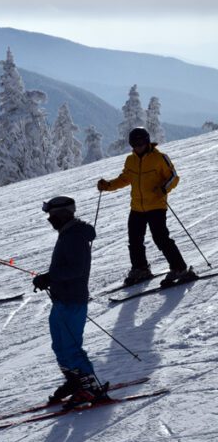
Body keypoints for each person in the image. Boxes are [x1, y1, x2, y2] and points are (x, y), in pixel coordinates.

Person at [97, 127, 197, 287]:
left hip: (156, 205)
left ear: (147, 141)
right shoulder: (131, 160)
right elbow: (125, 178)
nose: (138, 146)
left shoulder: (160, 158)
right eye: (135, 144)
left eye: (141, 143)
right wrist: (107, 185)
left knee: (161, 238)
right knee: (134, 240)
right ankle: (140, 268)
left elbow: (173, 176)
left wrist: (163, 188)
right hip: (137, 207)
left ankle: (179, 269)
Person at [32, 196, 109, 405]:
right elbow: (65, 267)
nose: (50, 219)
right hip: (61, 299)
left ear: (65, 214)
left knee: (71, 347)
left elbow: (77, 269)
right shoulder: (67, 233)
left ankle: (92, 388)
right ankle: (75, 382)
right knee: (59, 345)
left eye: (53, 215)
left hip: (72, 301)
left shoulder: (75, 236)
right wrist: (49, 278)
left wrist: (50, 277)